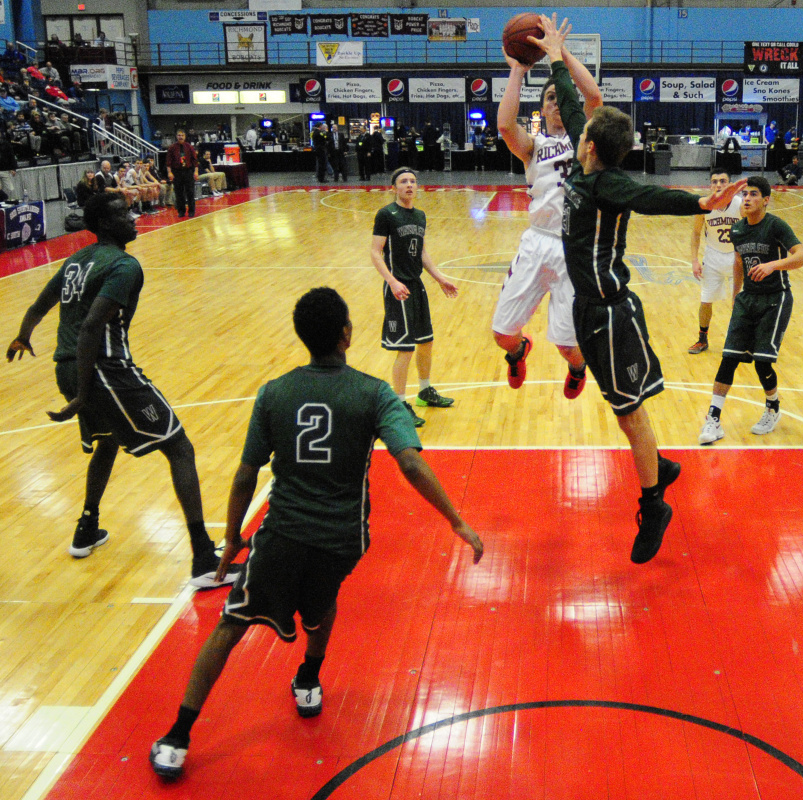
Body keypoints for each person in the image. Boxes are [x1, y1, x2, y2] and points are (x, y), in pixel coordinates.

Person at [149, 287, 483, 780]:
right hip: (344, 537)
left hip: (282, 533)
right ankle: (308, 676)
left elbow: (246, 474)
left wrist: (235, 537)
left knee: (231, 624)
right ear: (346, 334)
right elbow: (409, 461)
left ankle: (178, 735)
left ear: (303, 336)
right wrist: (455, 519)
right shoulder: (374, 393)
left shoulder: (275, 392)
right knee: (322, 600)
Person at [536, 14, 745, 564]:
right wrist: (557, 54)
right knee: (621, 405)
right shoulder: (587, 163)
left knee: (630, 414)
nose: (576, 126)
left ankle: (654, 503)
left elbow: (655, 199)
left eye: (580, 129)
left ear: (587, 146)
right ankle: (664, 466)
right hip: (588, 308)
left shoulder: (609, 182)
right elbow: (573, 98)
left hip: (611, 312)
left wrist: (702, 202)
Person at [5, 193, 240, 586]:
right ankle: (203, 559)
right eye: (122, 214)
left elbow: (37, 307)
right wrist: (82, 392)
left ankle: (86, 528)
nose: (133, 218)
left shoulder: (76, 261)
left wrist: (22, 337)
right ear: (104, 223)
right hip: (102, 369)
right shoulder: (125, 265)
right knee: (179, 446)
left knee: (108, 442)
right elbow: (92, 326)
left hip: (67, 368)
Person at [493, 29, 601, 399]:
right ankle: (520, 351)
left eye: (560, 97)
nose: (556, 103)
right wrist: (518, 71)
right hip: (537, 242)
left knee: (568, 345)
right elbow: (506, 125)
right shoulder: (534, 146)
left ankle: (577, 366)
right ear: (541, 108)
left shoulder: (587, 138)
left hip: (575, 248)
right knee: (502, 334)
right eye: (550, 98)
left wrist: (560, 53)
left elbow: (595, 97)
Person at [698, 176, 803, 446]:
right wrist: (736, 294)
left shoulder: (776, 226)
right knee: (729, 358)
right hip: (748, 299)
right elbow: (738, 261)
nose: (747, 199)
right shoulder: (738, 231)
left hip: (776, 299)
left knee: (762, 361)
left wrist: (774, 265)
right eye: (745, 194)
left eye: (754, 194)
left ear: (766, 200)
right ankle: (713, 419)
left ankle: (772, 407)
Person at [370, 167, 458, 428]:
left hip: (417, 286)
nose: (409, 185)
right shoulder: (386, 214)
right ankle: (399, 403)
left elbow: (422, 253)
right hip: (398, 288)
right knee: (405, 348)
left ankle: (424, 391)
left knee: (426, 341)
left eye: (413, 181)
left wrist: (440, 278)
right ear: (394, 187)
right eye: (403, 181)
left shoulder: (420, 216)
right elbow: (376, 252)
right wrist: (392, 281)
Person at [688, 168, 743, 355]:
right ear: (710, 185)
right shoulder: (704, 206)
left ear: (729, 184)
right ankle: (702, 340)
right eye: (714, 181)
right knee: (705, 300)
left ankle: (741, 341)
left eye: (723, 181)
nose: (718, 184)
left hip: (737, 258)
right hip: (712, 257)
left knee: (741, 301)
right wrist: (694, 260)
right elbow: (696, 233)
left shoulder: (740, 204)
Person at [166, 128, 198, 218]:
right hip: (177, 172)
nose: (180, 137)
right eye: (179, 135)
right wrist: (170, 173)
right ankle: (181, 211)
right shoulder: (172, 148)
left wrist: (196, 172)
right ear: (176, 136)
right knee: (179, 193)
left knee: (190, 192)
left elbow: (195, 160)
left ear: (185, 136)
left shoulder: (189, 147)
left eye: (182, 135)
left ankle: (191, 211)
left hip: (188, 171)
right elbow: (168, 162)